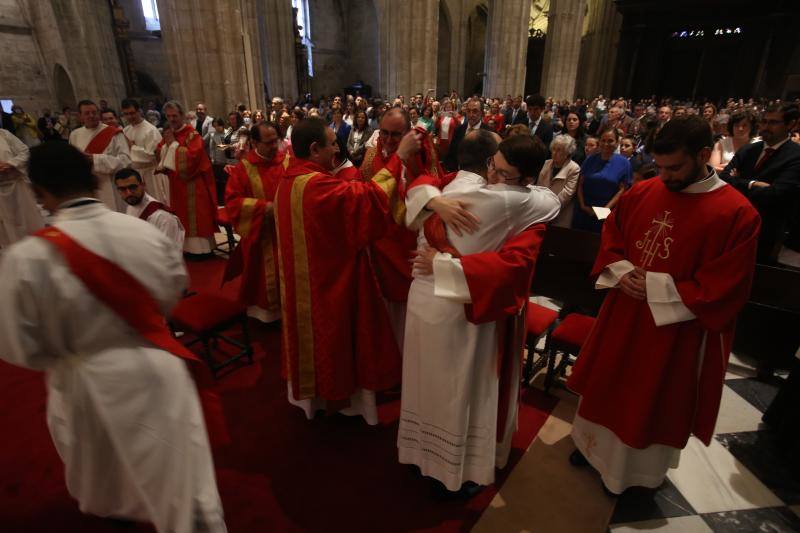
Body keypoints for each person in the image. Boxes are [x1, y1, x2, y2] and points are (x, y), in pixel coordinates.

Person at [0, 142, 226, 532]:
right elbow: (173, 291)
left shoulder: (26, 259)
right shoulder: (144, 233)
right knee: (183, 494)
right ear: (93, 179)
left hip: (86, 389)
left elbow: (19, 346)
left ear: (38, 193)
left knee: (113, 490)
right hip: (158, 371)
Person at [566, 115, 761, 496]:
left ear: (704, 154)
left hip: (673, 330)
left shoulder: (737, 214)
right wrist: (621, 271)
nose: (665, 176)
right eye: (660, 166)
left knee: (649, 397)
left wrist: (655, 286)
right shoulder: (643, 192)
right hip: (623, 313)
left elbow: (726, 286)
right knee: (606, 381)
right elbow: (613, 234)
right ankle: (589, 450)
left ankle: (635, 474)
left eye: (675, 167)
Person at [398, 131, 560, 495]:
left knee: (425, 382)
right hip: (459, 305)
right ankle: (450, 471)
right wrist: (447, 265)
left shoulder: (450, 186)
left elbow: (417, 185)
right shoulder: (517, 200)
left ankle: (418, 454)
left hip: (425, 298)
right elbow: (552, 203)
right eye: (493, 167)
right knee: (456, 389)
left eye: (504, 174)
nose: (495, 178)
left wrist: (433, 203)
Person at [274, 117, 412, 424]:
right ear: (314, 149)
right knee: (337, 340)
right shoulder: (315, 185)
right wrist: (399, 158)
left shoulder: (288, 180)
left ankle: (314, 401)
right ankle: (343, 401)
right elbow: (369, 199)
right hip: (327, 284)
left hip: (304, 281)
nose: (338, 148)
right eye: (332, 143)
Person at [224, 122, 289, 322]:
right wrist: (264, 208)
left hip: (287, 232)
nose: (273, 146)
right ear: (254, 142)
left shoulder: (287, 162)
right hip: (260, 234)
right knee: (261, 274)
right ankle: (265, 315)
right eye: (268, 142)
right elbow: (232, 203)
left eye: (275, 141)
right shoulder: (244, 169)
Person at [721, 103, 800, 263]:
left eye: (773, 123)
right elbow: (723, 179)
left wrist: (738, 181)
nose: (765, 127)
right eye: (763, 122)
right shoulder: (749, 150)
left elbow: (775, 193)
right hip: (732, 224)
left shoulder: (796, 156)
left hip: (766, 231)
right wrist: (753, 184)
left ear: (791, 124)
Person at [155, 100, 219, 257]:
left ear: (182, 115)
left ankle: (203, 250)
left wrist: (173, 145)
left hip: (193, 183)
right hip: (176, 184)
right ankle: (188, 249)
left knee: (198, 216)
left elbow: (194, 157)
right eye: (168, 116)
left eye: (175, 116)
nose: (172, 119)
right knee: (181, 215)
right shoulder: (169, 133)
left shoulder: (192, 134)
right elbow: (159, 152)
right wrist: (165, 149)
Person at [69, 100, 131, 213]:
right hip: (87, 187)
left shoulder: (114, 133)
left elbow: (126, 161)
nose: (91, 116)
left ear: (99, 113)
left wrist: (96, 159)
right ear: (80, 116)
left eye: (94, 112)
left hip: (110, 186)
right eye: (87, 113)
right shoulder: (75, 135)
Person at [573, 127, 632, 232]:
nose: (606, 144)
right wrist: (582, 205)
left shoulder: (624, 163)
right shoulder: (590, 159)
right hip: (583, 210)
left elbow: (622, 190)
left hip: (606, 212)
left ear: (617, 142)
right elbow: (580, 183)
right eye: (603, 140)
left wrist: (604, 210)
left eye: (610, 141)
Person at [115, 167, 184, 249]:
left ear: (143, 185)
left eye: (132, 187)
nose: (129, 193)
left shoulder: (163, 217)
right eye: (122, 189)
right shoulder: (131, 205)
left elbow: (170, 253)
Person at [0, 127, 43, 248]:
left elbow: (24, 151)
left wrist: (11, 164)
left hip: (17, 187)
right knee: (6, 232)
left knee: (29, 223)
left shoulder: (4, 134)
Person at [121, 98, 168, 205]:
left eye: (132, 113)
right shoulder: (126, 130)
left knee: (155, 204)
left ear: (139, 111)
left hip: (151, 174)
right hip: (134, 176)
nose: (129, 117)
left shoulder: (150, 130)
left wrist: (132, 147)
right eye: (126, 114)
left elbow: (151, 156)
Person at [538, 134, 581, 227]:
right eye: (553, 149)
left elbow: (567, 194)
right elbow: (538, 186)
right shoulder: (546, 163)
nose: (554, 152)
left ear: (567, 152)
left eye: (559, 150)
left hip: (560, 213)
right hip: (540, 211)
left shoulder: (574, 168)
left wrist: (549, 209)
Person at [444, 98, 492, 171]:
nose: (471, 115)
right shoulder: (459, 130)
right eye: (468, 111)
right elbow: (451, 153)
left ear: (482, 113)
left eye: (475, 111)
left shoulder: (488, 133)